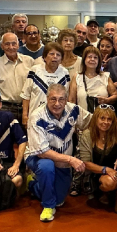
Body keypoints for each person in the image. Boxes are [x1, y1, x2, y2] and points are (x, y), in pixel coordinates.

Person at [25, 84, 92, 222]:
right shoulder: (37, 116)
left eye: (61, 99)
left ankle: (33, 184)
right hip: (37, 157)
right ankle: (48, 206)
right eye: (53, 99)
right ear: (47, 99)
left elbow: (93, 120)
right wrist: (71, 159)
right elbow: (42, 152)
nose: (57, 104)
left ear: (66, 100)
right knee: (46, 166)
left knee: (60, 200)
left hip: (62, 161)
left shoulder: (73, 110)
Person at [79, 106, 117, 213]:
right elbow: (86, 163)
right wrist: (106, 170)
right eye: (102, 118)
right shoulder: (87, 135)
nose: (106, 122)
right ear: (96, 119)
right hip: (99, 173)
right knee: (109, 182)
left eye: (109, 119)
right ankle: (106, 193)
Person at [0, 32, 35, 122]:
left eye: (13, 44)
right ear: (2, 46)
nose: (11, 47)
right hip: (5, 109)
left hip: (28, 108)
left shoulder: (29, 61)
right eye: (7, 44)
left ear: (18, 45)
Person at [20, 42, 70, 128]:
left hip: (57, 120)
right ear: (44, 57)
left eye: (58, 55)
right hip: (35, 118)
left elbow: (66, 98)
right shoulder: (35, 70)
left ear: (61, 59)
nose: (55, 57)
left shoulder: (65, 73)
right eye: (51, 54)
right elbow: (26, 95)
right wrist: (24, 115)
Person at [68, 46, 117, 111]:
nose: (92, 59)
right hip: (82, 115)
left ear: (99, 61)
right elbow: (72, 100)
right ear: (84, 59)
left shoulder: (105, 76)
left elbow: (115, 95)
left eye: (95, 57)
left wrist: (107, 100)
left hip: (101, 115)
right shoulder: (77, 76)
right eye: (89, 57)